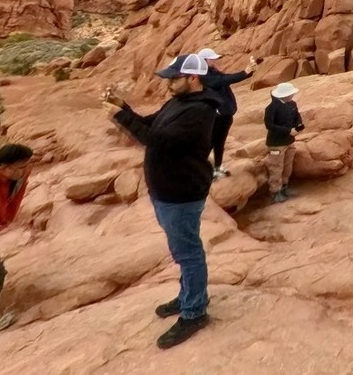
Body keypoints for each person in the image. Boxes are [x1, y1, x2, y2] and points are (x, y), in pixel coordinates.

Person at [106, 52, 218, 348]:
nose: (168, 83)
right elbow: (150, 125)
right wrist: (123, 107)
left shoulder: (201, 111)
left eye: (174, 78)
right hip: (166, 192)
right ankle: (188, 297)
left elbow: (157, 140)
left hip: (182, 194)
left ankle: (195, 312)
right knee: (183, 251)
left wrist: (119, 116)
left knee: (189, 254)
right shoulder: (178, 102)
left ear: (193, 78)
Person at [0, 142, 34, 335]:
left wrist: (21, 181)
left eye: (27, 165)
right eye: (20, 167)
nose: (25, 170)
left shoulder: (14, 177)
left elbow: (12, 201)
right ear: (3, 168)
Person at [197, 47, 256, 179]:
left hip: (225, 114)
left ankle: (217, 168)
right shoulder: (203, 76)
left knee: (219, 142)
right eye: (212, 59)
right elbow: (222, 81)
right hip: (216, 115)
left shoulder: (213, 72)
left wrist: (250, 71)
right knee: (210, 142)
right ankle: (203, 170)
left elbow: (227, 78)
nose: (215, 61)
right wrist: (245, 72)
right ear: (204, 60)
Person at [263, 81, 304, 202]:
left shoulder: (292, 104)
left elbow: (296, 116)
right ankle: (275, 192)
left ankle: (285, 187)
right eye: (290, 94)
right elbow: (270, 125)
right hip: (276, 143)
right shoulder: (271, 108)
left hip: (288, 141)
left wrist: (299, 124)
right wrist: (288, 131)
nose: (292, 95)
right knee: (276, 167)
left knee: (287, 165)